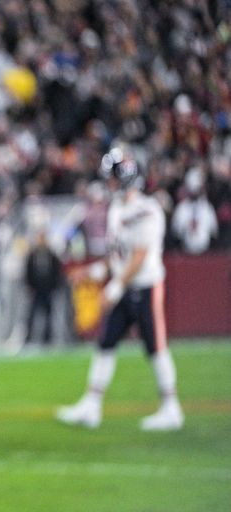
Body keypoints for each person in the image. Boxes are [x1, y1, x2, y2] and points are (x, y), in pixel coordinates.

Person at [57, 146, 184, 431]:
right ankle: (91, 405)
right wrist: (91, 272)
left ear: (124, 178)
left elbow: (139, 256)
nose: (108, 184)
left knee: (155, 347)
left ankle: (171, 407)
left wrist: (114, 287)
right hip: (126, 288)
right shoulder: (118, 209)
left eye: (112, 179)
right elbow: (118, 257)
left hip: (145, 288)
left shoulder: (146, 210)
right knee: (105, 343)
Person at [23, 228, 64, 346]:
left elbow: (57, 272)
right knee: (31, 315)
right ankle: (29, 338)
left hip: (48, 289)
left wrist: (55, 286)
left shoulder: (51, 254)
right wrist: (29, 286)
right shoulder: (32, 254)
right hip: (36, 289)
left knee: (48, 314)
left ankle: (48, 338)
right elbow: (28, 271)